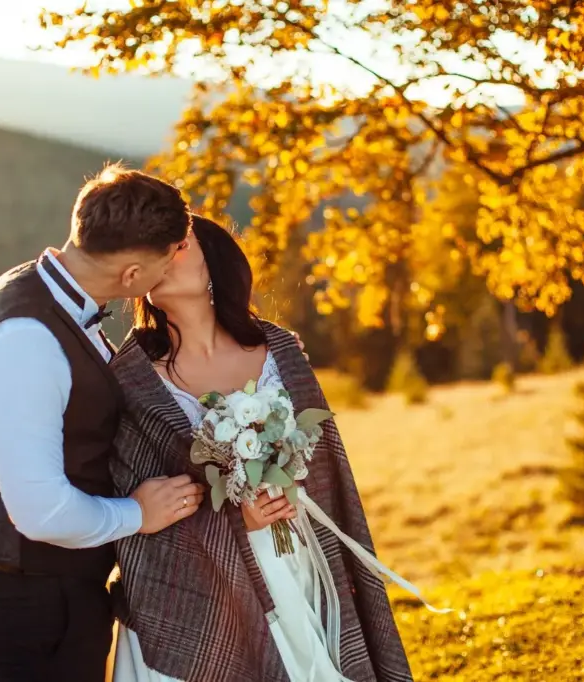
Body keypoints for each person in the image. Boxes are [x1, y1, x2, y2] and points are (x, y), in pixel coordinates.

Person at [108, 215, 414, 681]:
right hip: (200, 591)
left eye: (179, 246)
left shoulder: (280, 351)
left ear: (215, 266)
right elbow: (134, 503)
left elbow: (326, 464)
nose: (161, 257)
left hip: (297, 562)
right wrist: (236, 519)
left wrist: (286, 483)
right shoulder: (131, 379)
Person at [0, 163, 206, 681]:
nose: (171, 269)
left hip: (56, 587)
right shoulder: (28, 341)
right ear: (131, 275)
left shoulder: (48, 292)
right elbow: (41, 512)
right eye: (166, 260)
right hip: (34, 599)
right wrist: (137, 514)